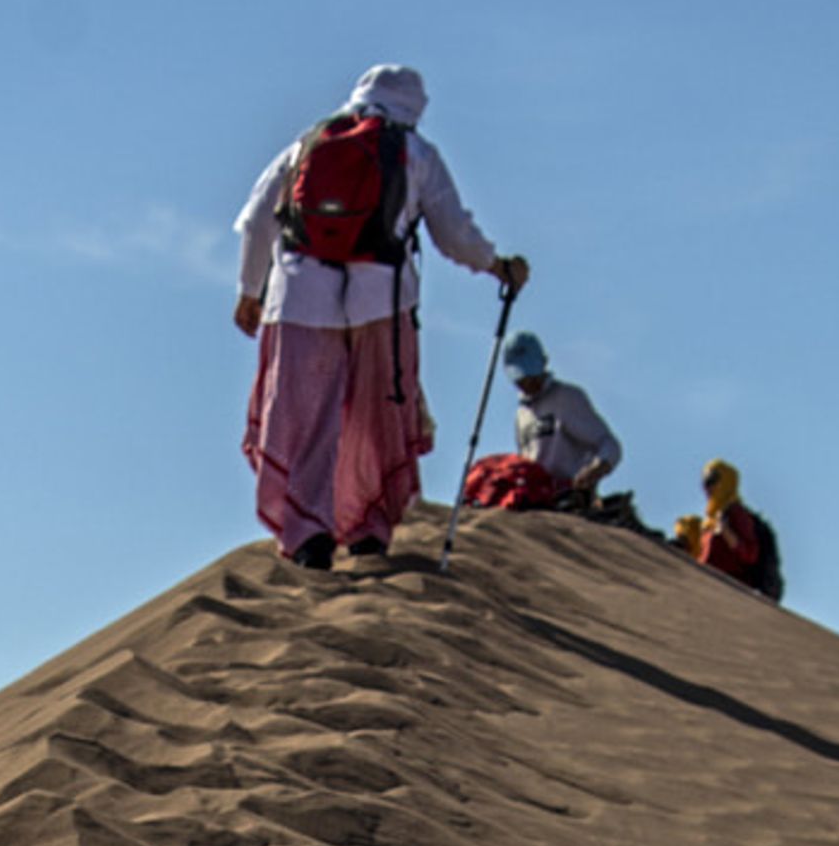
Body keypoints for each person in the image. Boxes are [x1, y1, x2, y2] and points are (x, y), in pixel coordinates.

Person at [236, 65, 526, 569]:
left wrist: (249, 291)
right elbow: (454, 233)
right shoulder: (416, 152)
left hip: (300, 300)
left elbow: (259, 216)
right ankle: (367, 529)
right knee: (375, 419)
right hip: (382, 303)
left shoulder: (307, 144)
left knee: (306, 418)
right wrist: (497, 266)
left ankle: (309, 534)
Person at [505, 333, 622, 504]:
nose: (528, 383)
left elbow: (609, 445)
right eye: (522, 378)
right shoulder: (522, 414)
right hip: (534, 497)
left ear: (544, 364)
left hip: (568, 496)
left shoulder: (567, 398)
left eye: (532, 375)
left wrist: (595, 470)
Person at [695, 458, 784, 601]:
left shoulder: (736, 513)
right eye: (704, 482)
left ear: (727, 482)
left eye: (712, 481)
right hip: (706, 587)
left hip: (730, 592)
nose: (707, 488)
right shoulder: (710, 520)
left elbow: (751, 554)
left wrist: (728, 534)